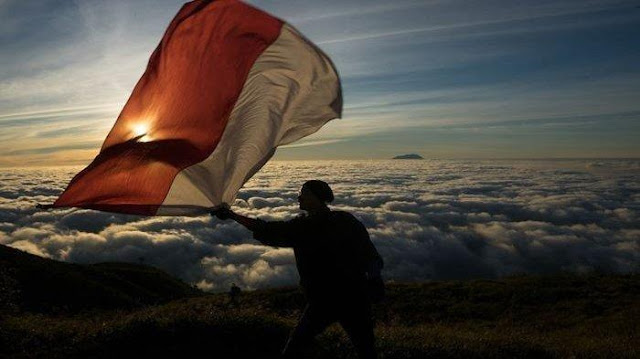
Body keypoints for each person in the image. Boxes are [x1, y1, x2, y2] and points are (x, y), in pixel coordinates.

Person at [212, 180, 384, 359]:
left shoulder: (302, 228)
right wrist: (375, 279)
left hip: (325, 302)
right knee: (366, 350)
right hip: (352, 298)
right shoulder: (345, 221)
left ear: (317, 199)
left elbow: (266, 229)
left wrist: (233, 216)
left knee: (295, 350)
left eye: (304, 194)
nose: (299, 197)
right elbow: (370, 254)